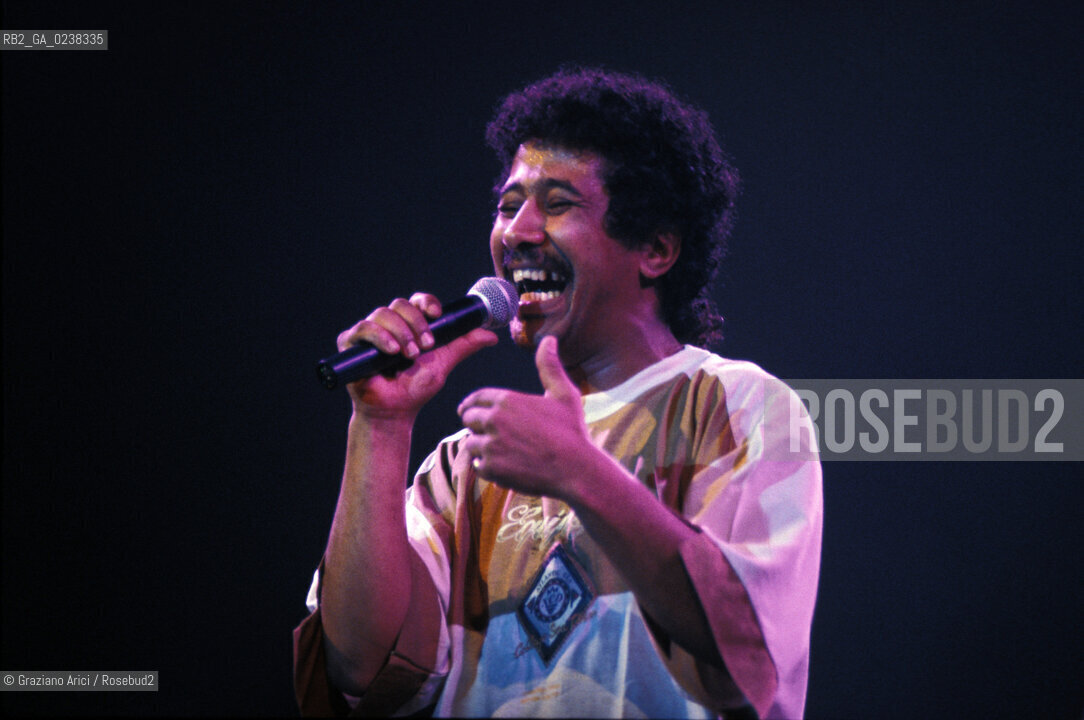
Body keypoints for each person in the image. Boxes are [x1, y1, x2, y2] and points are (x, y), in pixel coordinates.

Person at [294, 67, 822, 719]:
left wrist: (580, 472)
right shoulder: (467, 463)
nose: (517, 231)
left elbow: (744, 659)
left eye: (557, 202)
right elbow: (362, 667)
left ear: (655, 249)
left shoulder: (740, 406)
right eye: (508, 204)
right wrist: (379, 426)